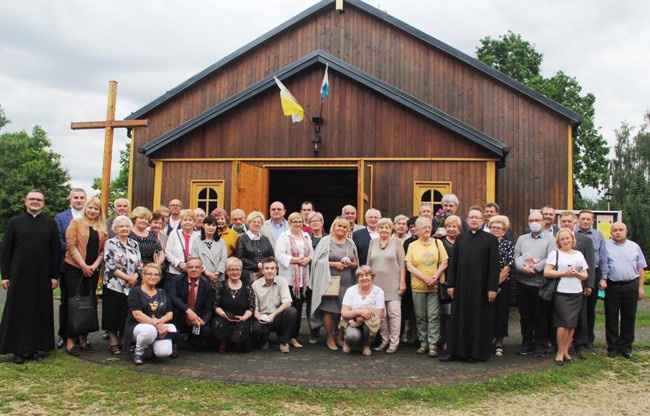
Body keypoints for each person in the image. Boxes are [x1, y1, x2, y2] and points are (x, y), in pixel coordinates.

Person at [0, 190, 60, 364]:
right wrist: (5, 276)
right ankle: (18, 349)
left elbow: (55, 252)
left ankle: (36, 348)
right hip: (19, 274)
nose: (35, 202)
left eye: (39, 200)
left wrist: (54, 276)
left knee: (39, 310)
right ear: (25, 202)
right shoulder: (14, 223)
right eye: (32, 199)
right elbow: (6, 252)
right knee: (18, 310)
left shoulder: (50, 224)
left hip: (43, 275)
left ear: (43, 203)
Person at [442, 206, 499, 362]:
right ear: (467, 220)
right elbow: (453, 264)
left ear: (482, 220)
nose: (474, 220)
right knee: (458, 318)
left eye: (477, 217)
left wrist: (492, 288)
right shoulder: (461, 239)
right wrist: (451, 285)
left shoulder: (490, 240)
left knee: (477, 319)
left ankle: (475, 353)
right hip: (461, 287)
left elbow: (494, 267)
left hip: (481, 289)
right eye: (471, 217)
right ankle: (456, 352)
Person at [63, 197, 108, 356]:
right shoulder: (76, 223)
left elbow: (103, 251)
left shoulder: (102, 228)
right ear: (86, 208)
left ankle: (83, 338)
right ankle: (70, 339)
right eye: (90, 208)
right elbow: (71, 246)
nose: (92, 211)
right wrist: (83, 265)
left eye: (96, 209)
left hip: (92, 270)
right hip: (75, 268)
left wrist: (94, 266)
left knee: (89, 302)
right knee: (74, 302)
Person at [310, 216, 359, 350]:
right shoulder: (325, 242)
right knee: (329, 310)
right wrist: (334, 264)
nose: (342, 229)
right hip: (329, 281)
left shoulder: (350, 243)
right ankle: (330, 337)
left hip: (346, 282)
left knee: (344, 311)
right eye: (339, 226)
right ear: (334, 227)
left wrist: (351, 264)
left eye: (344, 227)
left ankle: (339, 336)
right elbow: (316, 261)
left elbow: (356, 263)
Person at [543, 228, 589, 366]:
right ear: (558, 241)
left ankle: (566, 351)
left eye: (567, 238)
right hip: (561, 292)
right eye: (562, 239)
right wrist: (563, 273)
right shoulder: (555, 253)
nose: (565, 241)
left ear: (572, 239)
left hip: (576, 292)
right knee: (563, 324)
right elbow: (547, 272)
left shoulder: (579, 254)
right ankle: (559, 352)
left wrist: (576, 274)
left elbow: (585, 274)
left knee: (571, 325)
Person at [514, 210, 556, 357]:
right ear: (528, 222)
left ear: (544, 222)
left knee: (540, 316)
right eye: (531, 220)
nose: (534, 223)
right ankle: (527, 342)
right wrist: (522, 268)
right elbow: (516, 256)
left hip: (540, 283)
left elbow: (551, 257)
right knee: (525, 315)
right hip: (523, 282)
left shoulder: (551, 239)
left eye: (537, 220)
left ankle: (539, 343)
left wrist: (535, 268)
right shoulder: (522, 239)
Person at [602, 222, 646, 359]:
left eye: (621, 230)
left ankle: (626, 347)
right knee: (611, 316)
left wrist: (640, 287)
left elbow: (640, 267)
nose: (618, 232)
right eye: (615, 230)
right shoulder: (606, 247)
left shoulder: (634, 247)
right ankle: (613, 347)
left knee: (629, 316)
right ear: (610, 232)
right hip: (613, 285)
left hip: (630, 285)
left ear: (626, 231)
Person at [405, 217, 448, 357]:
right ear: (416, 230)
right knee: (420, 316)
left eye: (429, 227)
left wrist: (435, 277)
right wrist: (424, 278)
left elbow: (444, 262)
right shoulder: (412, 245)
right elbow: (409, 265)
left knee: (434, 316)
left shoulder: (438, 243)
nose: (428, 229)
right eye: (424, 227)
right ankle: (423, 342)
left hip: (434, 286)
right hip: (418, 286)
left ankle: (433, 344)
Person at [557, 211, 595, 359]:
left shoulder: (584, 240)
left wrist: (589, 284)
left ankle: (580, 345)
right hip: (561, 285)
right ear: (560, 223)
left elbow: (590, 263)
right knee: (562, 318)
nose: (566, 223)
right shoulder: (557, 239)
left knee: (581, 316)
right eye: (564, 221)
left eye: (569, 221)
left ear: (574, 222)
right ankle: (560, 346)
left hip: (580, 284)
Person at [103, 215, 142, 355]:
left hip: (131, 286)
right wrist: (126, 278)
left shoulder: (134, 244)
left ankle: (123, 341)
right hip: (114, 284)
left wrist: (135, 277)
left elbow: (139, 264)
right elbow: (109, 265)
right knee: (113, 313)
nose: (125, 228)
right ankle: (113, 343)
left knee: (126, 314)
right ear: (116, 229)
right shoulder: (110, 243)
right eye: (121, 226)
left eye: (127, 226)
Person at [123, 263, 176, 365]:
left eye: (156, 275)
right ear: (143, 275)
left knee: (164, 352)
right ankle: (138, 353)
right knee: (149, 330)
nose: (153, 277)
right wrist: (156, 325)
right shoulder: (135, 291)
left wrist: (159, 322)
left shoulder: (162, 292)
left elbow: (170, 314)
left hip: (157, 325)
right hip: (138, 327)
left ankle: (155, 350)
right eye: (149, 274)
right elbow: (137, 314)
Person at [54, 188, 87, 348]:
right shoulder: (61, 218)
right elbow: (59, 240)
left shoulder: (91, 217)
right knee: (67, 301)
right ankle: (64, 334)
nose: (79, 200)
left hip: (87, 267)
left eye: (82, 198)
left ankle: (82, 335)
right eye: (76, 198)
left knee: (85, 302)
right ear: (70, 200)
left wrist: (85, 261)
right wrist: (76, 256)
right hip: (67, 265)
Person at [367, 218, 405, 353]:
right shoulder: (372, 242)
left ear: (391, 229)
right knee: (381, 315)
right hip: (377, 285)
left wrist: (402, 282)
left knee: (394, 313)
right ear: (377, 229)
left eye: (386, 227)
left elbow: (402, 265)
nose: (384, 230)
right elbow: (368, 265)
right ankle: (384, 341)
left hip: (393, 283)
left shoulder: (397, 242)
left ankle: (394, 342)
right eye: (381, 227)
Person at [275, 212, 312, 348]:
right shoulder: (284, 236)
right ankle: (284, 335)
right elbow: (279, 254)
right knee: (289, 308)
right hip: (289, 279)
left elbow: (312, 253)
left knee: (298, 306)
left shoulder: (306, 236)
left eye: (300, 221)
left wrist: (308, 259)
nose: (297, 224)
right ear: (289, 223)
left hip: (303, 279)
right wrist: (295, 259)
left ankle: (293, 337)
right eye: (294, 221)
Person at [575, 209, 609, 353]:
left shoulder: (598, 235)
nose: (585, 221)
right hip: (575, 275)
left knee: (590, 310)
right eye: (583, 218)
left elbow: (603, 258)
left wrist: (603, 278)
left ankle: (589, 340)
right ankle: (576, 340)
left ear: (593, 221)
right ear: (578, 219)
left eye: (588, 219)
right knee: (577, 310)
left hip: (593, 274)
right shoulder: (572, 234)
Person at [251, 257, 297, 353]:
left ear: (276, 270)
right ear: (262, 271)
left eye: (272, 268)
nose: (270, 271)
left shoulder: (282, 281)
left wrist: (273, 315)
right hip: (262, 317)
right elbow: (254, 308)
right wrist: (261, 318)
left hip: (277, 316)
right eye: (267, 268)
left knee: (291, 311)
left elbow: (288, 302)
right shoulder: (255, 285)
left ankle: (283, 342)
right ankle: (263, 339)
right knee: (257, 329)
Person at [169, 257, 214, 353]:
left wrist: (203, 321)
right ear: (186, 269)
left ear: (202, 269)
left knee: (206, 331)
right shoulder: (177, 280)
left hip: (195, 321)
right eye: (191, 267)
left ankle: (191, 341)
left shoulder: (206, 286)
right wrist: (188, 311)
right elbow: (173, 297)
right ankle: (173, 344)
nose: (194, 269)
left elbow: (208, 309)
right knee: (173, 312)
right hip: (180, 317)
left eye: (197, 267)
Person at [340, 266, 385, 356]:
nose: (364, 278)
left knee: (366, 327)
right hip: (352, 321)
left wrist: (363, 317)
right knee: (352, 336)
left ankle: (366, 346)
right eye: (361, 276)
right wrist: (359, 313)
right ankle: (347, 342)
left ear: (372, 277)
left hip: (369, 323)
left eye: (367, 275)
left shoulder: (379, 292)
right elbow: (344, 313)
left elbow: (378, 314)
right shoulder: (351, 290)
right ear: (357, 278)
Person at [212, 257, 255, 352]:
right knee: (218, 324)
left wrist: (244, 317)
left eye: (237, 269)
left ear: (241, 271)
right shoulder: (220, 285)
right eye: (231, 269)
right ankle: (222, 341)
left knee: (242, 345)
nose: (235, 272)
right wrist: (225, 315)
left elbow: (251, 307)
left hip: (241, 318)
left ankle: (234, 342)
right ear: (227, 272)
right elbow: (215, 305)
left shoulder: (247, 287)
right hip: (224, 317)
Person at [488, 215, 515, 357]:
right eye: (493, 227)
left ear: (504, 231)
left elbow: (508, 266)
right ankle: (487, 339)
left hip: (503, 284)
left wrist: (496, 284)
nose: (496, 230)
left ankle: (499, 341)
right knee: (488, 312)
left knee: (501, 312)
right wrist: (490, 285)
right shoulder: (485, 243)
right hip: (486, 284)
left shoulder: (508, 245)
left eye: (499, 228)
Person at [438, 215, 462, 350]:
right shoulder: (439, 242)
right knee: (445, 313)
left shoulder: (463, 241)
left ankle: (456, 338)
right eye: (449, 226)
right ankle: (446, 338)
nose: (451, 229)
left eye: (454, 226)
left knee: (457, 312)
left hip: (460, 281)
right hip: (444, 281)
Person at [234, 211, 274, 284]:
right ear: (249, 223)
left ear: (262, 224)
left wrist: (267, 267)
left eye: (259, 222)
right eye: (254, 221)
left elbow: (271, 256)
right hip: (249, 276)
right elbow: (240, 258)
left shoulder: (265, 239)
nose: (257, 224)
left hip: (266, 275)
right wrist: (257, 265)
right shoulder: (242, 239)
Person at [165, 209, 199, 292]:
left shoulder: (198, 236)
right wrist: (179, 263)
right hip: (175, 273)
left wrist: (191, 265)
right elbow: (168, 252)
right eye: (185, 220)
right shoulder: (174, 234)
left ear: (194, 222)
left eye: (190, 220)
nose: (187, 222)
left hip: (193, 273)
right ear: (181, 221)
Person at [306, 211, 327, 344]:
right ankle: (313, 330)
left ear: (322, 223)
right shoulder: (305, 237)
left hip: (324, 275)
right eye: (312, 221)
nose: (315, 223)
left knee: (324, 302)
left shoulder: (328, 238)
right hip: (308, 275)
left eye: (317, 220)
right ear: (308, 223)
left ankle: (327, 329)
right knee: (311, 302)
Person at [190, 215, 226, 287]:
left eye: (213, 225)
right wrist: (208, 273)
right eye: (209, 225)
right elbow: (195, 259)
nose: (211, 228)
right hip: (203, 276)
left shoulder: (221, 241)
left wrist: (217, 273)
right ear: (203, 225)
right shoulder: (197, 241)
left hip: (218, 277)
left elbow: (224, 259)